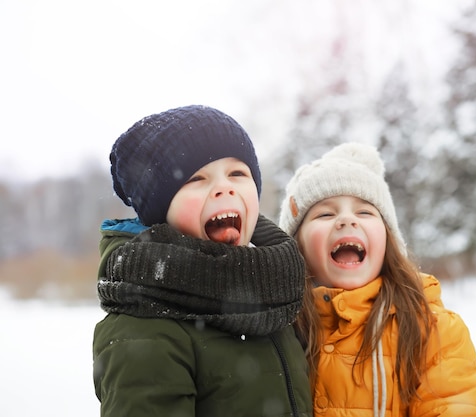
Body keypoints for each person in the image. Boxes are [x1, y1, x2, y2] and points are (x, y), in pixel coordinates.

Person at [92, 105, 312, 417]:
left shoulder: (276, 293)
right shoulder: (145, 326)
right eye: (197, 178)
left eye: (238, 173)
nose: (225, 187)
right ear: (160, 212)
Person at [278, 142, 476, 416]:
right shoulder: (279, 328)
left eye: (364, 212)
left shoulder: (432, 330)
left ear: (388, 240)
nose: (346, 220)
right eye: (325, 214)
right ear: (297, 247)